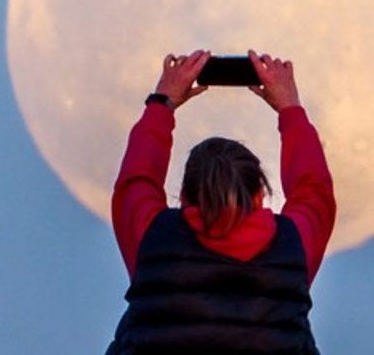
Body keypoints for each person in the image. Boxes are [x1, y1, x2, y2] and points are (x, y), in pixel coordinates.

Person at [106, 49, 336, 355]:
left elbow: (136, 180)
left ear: (184, 196)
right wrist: (290, 109)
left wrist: (163, 102)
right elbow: (315, 190)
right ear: (259, 196)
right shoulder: (293, 245)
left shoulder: (153, 237)